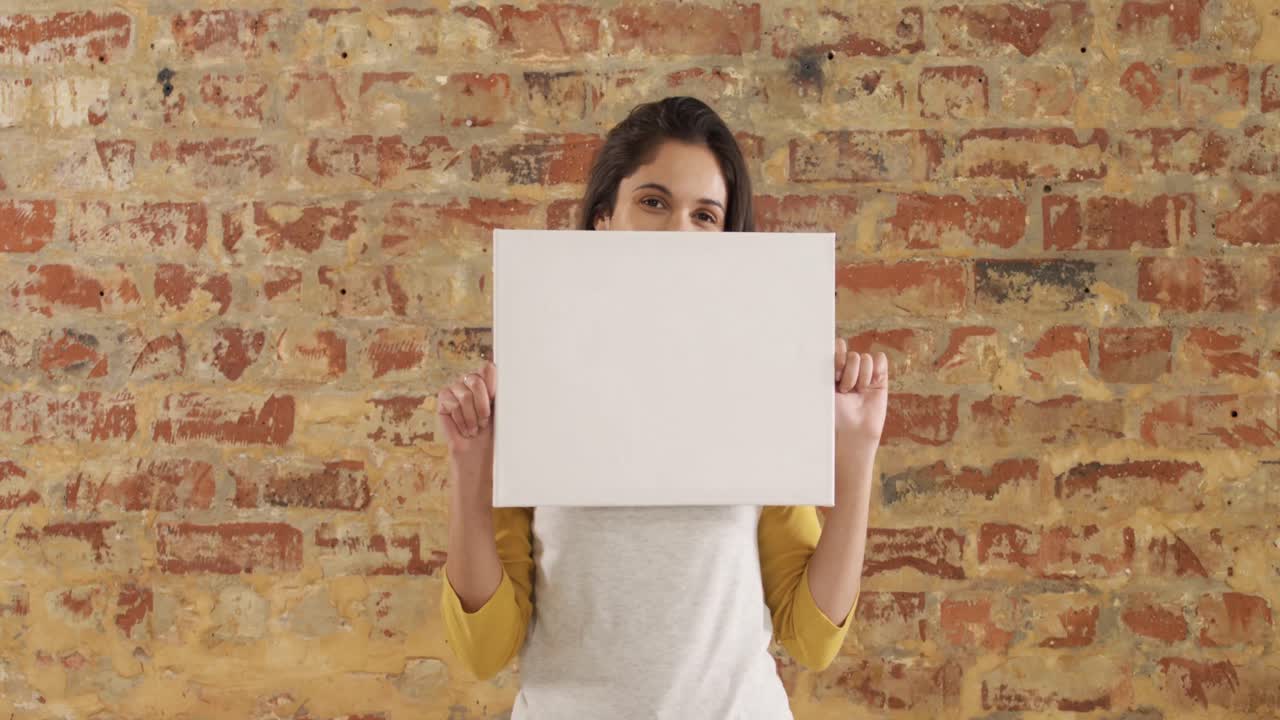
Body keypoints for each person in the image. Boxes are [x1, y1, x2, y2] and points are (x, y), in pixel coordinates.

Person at [436, 96, 889, 718]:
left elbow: (810, 638)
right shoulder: (537, 387)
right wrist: (469, 465)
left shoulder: (754, 389)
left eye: (705, 216)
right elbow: (485, 649)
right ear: (603, 217)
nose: (679, 232)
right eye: (654, 202)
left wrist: (857, 450)